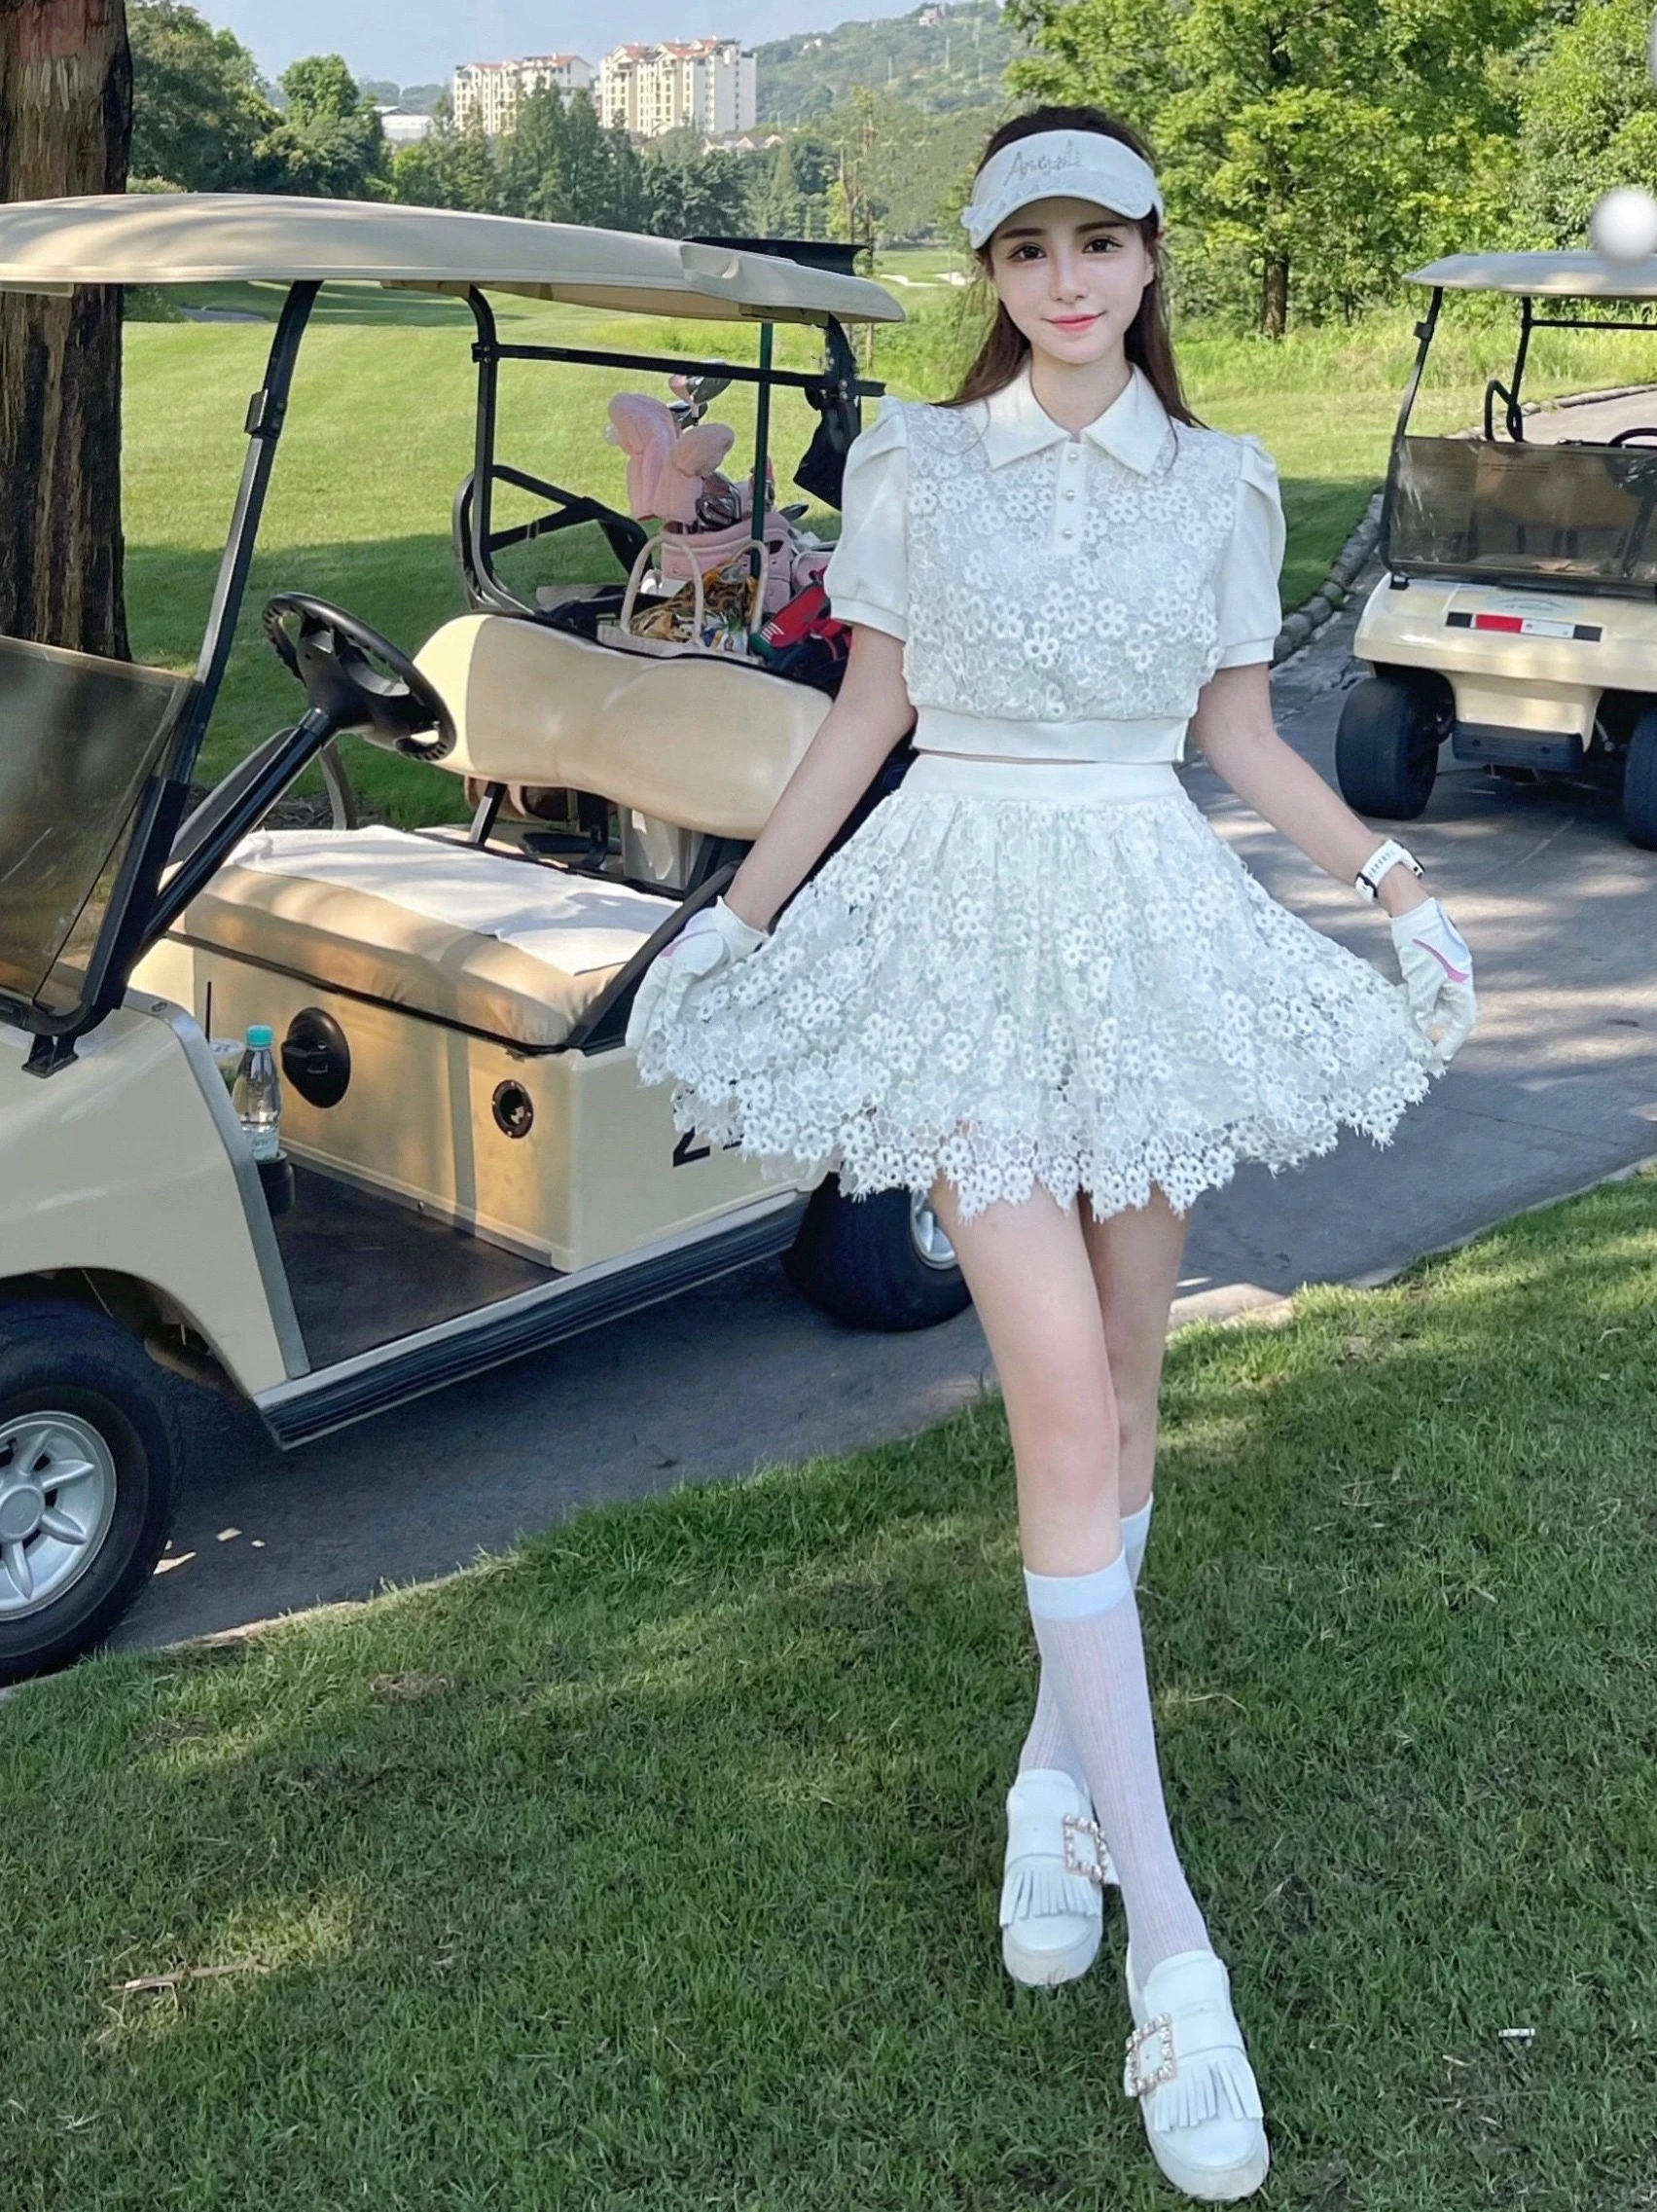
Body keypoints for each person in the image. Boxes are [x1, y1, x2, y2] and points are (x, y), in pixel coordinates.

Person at [626, 104, 1476, 2204]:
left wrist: (1390, 882)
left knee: (1132, 1380)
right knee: (1061, 1398)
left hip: (1141, 929)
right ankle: (1175, 1955)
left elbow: (1234, 734)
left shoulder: (1221, 480)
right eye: (1027, 250)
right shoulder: (917, 466)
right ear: (993, 274)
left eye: (1099, 242)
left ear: (1149, 255)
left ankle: (1046, 1783)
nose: (1066, 281)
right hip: (958, 935)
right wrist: (729, 927)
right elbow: (864, 717)